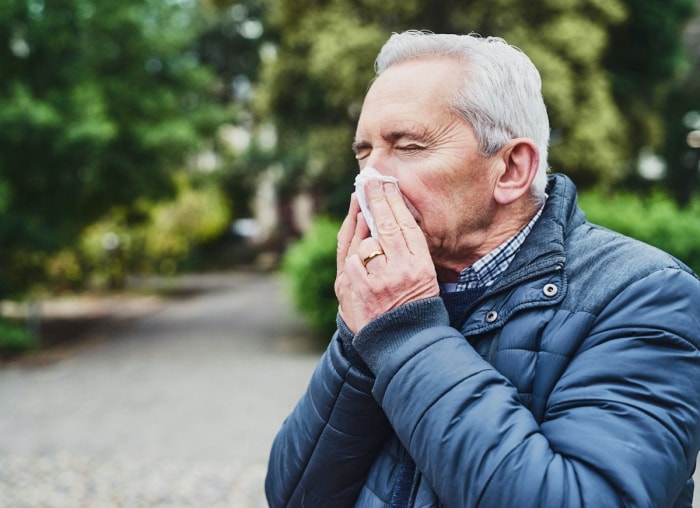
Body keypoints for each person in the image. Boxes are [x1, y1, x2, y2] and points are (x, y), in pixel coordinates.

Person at [265, 30, 700, 507]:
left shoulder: (647, 295)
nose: (370, 178)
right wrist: (357, 333)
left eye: (407, 146)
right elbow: (295, 496)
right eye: (364, 152)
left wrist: (404, 330)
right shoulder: (393, 293)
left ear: (512, 169)